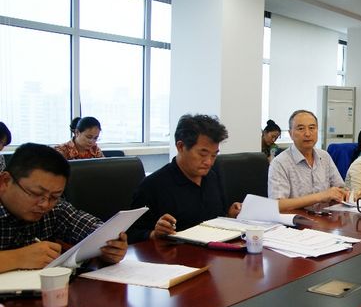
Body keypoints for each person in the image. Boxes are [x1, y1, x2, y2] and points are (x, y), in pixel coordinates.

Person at [0, 143, 127, 273]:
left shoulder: (55, 208)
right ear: (5, 181)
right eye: (36, 193)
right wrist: (17, 258)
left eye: (54, 196)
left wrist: (110, 245)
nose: (45, 204)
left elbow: (92, 228)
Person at [128, 114, 241, 243]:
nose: (209, 162)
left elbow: (216, 218)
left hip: (212, 251)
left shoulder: (212, 177)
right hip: (176, 253)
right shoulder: (152, 185)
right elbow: (131, 235)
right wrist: (154, 233)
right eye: (202, 154)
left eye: (214, 155)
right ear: (181, 146)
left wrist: (229, 216)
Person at [268, 110, 349, 211]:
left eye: (312, 128)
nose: (307, 133)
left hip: (325, 218)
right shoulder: (280, 163)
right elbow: (277, 205)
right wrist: (320, 196)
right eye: (301, 128)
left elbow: (340, 188)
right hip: (297, 219)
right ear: (290, 133)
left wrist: (346, 194)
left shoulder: (324, 156)